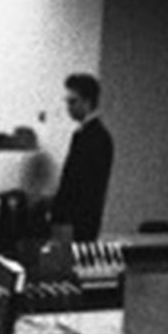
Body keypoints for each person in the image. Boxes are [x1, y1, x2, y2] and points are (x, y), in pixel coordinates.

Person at [51, 72, 114, 242]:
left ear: (87, 103)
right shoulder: (95, 135)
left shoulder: (92, 137)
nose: (68, 108)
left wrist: (59, 214)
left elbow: (78, 183)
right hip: (82, 220)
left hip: (76, 222)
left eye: (73, 102)